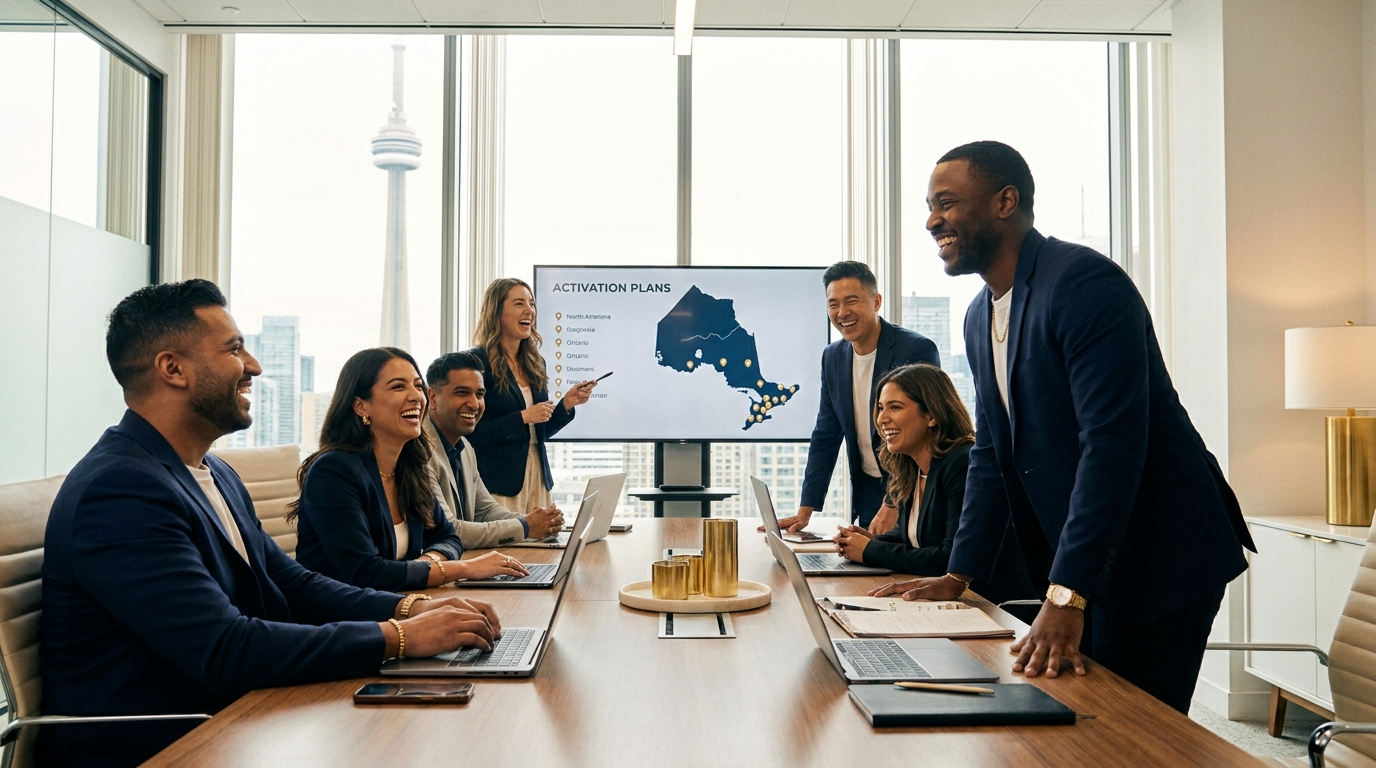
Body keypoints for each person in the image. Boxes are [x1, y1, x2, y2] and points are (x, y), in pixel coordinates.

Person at [40, 280, 502, 766]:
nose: (254, 366)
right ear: (172, 368)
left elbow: (293, 585)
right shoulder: (120, 491)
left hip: (239, 714)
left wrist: (410, 609)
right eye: (235, 349)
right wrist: (398, 637)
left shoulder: (213, 472)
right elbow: (225, 649)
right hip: (166, 742)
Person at [870, 141, 1255, 714]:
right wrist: (958, 574)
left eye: (946, 203)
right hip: (1092, 555)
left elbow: (1112, 446)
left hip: (1159, 551)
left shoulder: (1082, 283)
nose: (931, 220)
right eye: (930, 206)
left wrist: (1067, 592)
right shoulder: (980, 314)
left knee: (1132, 734)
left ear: (1006, 201)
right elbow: (991, 457)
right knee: (1076, 717)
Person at [292, 347, 530, 591]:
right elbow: (365, 573)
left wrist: (427, 565)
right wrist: (461, 568)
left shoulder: (410, 465)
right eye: (398, 386)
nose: (416, 396)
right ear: (361, 406)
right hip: (342, 622)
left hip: (397, 605)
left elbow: (448, 537)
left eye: (418, 386)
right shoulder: (333, 471)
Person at [832, 364, 1033, 605]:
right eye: (880, 408)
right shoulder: (913, 469)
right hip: (946, 603)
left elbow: (951, 558)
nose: (882, 419)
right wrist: (870, 542)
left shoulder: (963, 462)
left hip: (990, 605)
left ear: (931, 416)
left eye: (895, 407)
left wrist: (871, 551)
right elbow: (916, 539)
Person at [774, 261, 940, 534]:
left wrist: (893, 501)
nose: (842, 313)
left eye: (851, 301)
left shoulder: (915, 349)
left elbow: (926, 433)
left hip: (911, 491)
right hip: (866, 491)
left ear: (876, 302)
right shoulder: (832, 357)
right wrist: (806, 510)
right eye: (833, 304)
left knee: (903, 569)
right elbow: (826, 435)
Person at [467, 277, 596, 515]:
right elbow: (472, 433)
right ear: (496, 311)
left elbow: (540, 431)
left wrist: (566, 405)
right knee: (508, 546)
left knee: (543, 545)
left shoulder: (535, 362)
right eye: (519, 304)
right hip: (499, 482)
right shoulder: (477, 363)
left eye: (532, 304)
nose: (529, 311)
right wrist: (523, 417)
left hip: (537, 472)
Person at [424, 350, 564, 547]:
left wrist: (537, 521)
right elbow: (451, 530)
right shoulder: (420, 452)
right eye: (462, 393)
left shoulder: (465, 448)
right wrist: (525, 526)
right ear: (433, 397)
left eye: (479, 394)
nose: (474, 404)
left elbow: (485, 511)